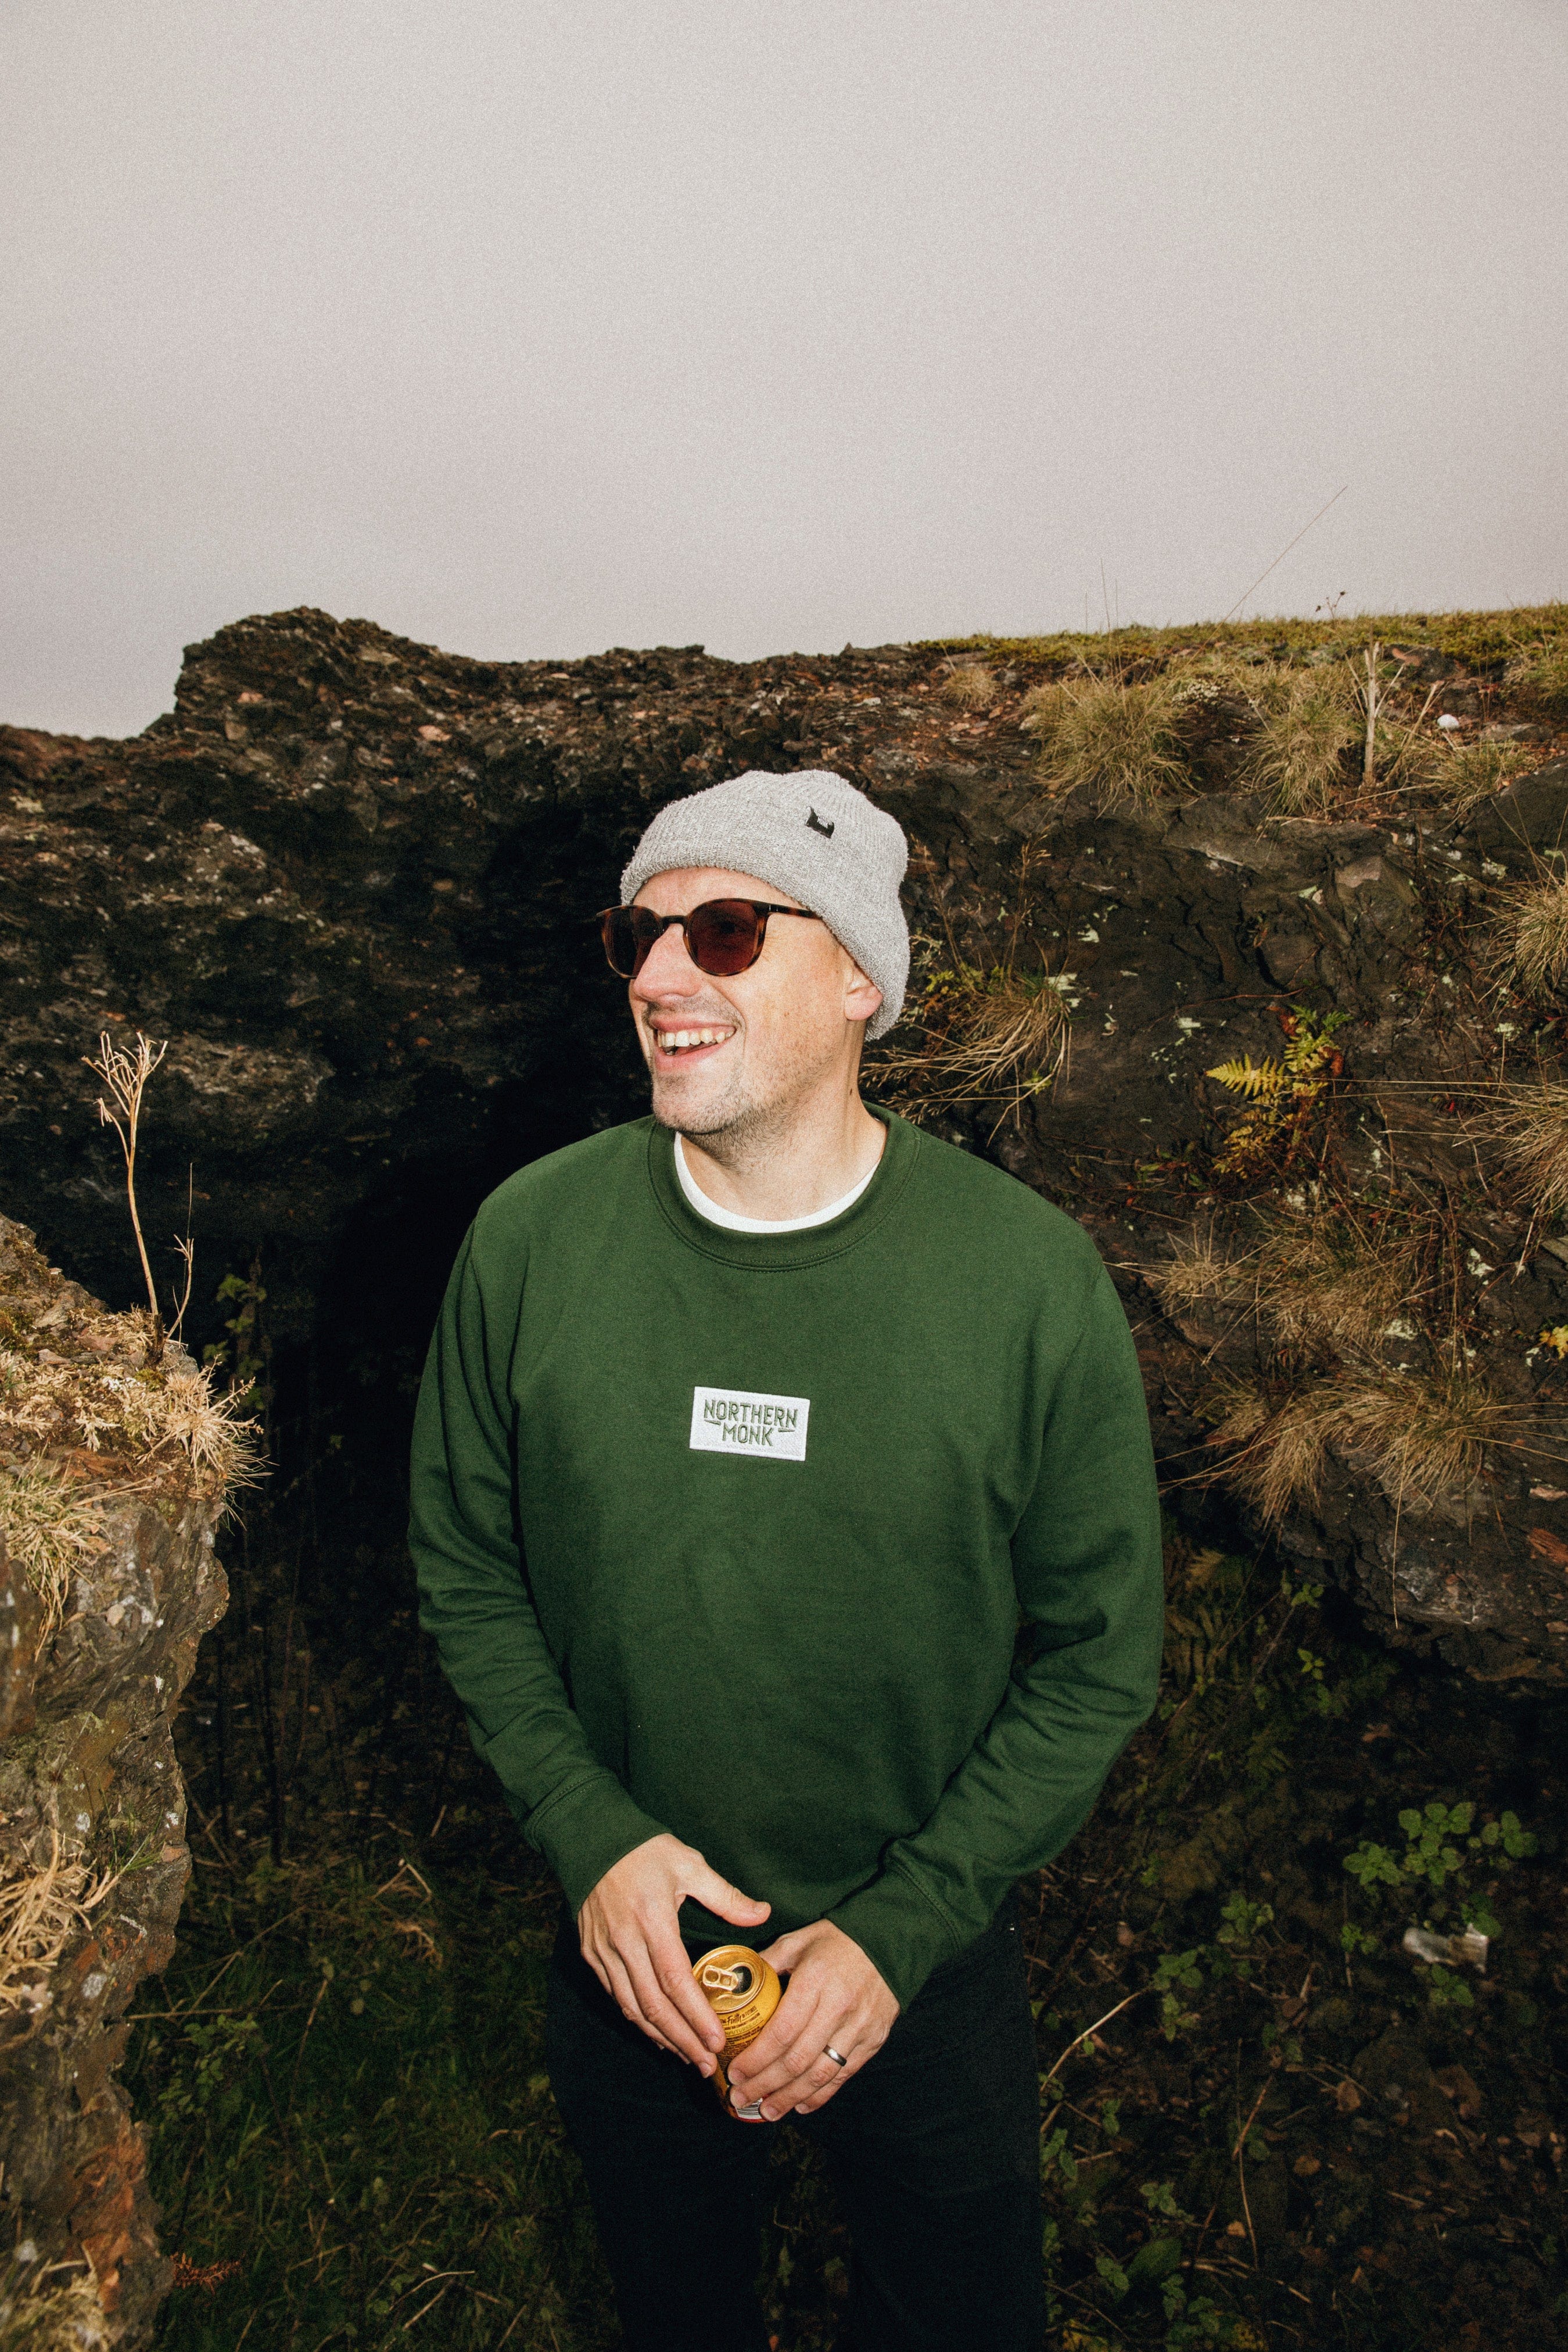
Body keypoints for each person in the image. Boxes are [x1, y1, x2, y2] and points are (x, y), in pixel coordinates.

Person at [408, 768, 1164, 2352]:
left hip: (918, 1957)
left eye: (727, 931)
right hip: (636, 1947)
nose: (661, 976)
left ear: (859, 978)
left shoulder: (1026, 1282)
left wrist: (906, 1926)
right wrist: (590, 1838)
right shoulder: (529, 1242)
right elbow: (468, 1566)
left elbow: (1099, 1656)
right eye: (637, 935)